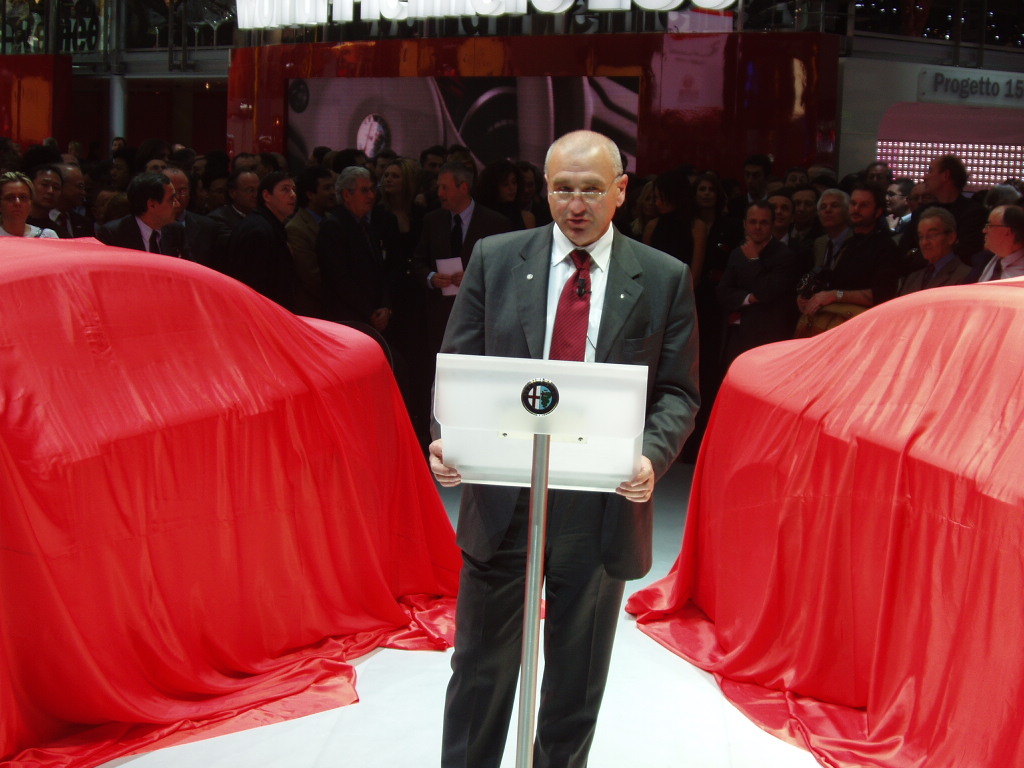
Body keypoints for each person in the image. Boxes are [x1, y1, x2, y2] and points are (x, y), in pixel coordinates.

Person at [430, 130, 699, 768]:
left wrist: (650, 458)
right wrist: (446, 439)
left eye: (591, 190)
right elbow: (457, 369)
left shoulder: (662, 277)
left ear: (621, 192)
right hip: (505, 498)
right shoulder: (495, 259)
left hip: (601, 502)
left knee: (575, 683)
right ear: (544, 188)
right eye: (562, 189)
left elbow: (678, 392)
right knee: (479, 671)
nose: (576, 205)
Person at [718, 200, 800, 370]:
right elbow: (722, 292)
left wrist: (754, 261)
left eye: (763, 222)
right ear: (744, 224)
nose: (757, 227)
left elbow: (766, 292)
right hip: (736, 336)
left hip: (767, 338)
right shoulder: (738, 252)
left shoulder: (785, 256)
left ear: (772, 225)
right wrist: (749, 297)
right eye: (753, 222)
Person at [224, 171, 298, 308]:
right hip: (262, 311)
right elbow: (253, 285)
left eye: (293, 190)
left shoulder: (268, 225)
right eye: (285, 190)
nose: (293, 195)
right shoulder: (259, 231)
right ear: (267, 195)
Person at [97, 171, 183, 254]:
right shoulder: (113, 234)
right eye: (172, 199)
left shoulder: (176, 231)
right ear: (152, 204)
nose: (177, 204)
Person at [898, 207, 972, 295]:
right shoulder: (913, 278)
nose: (924, 242)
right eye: (921, 237)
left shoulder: (966, 275)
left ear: (951, 237)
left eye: (931, 235)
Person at [0, 171, 59, 237]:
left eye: (23, 197)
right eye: (10, 198)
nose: (17, 202)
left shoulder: (47, 236)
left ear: (31, 203)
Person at [976, 204, 1024, 282]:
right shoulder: (993, 258)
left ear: (1007, 231)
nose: (984, 230)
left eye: (990, 225)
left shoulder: (1021, 274)